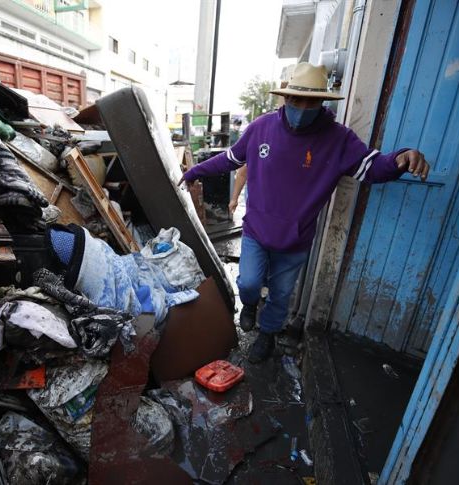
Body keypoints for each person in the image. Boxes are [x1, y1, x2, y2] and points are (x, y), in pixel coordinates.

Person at [177, 62, 429, 363]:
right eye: (296, 99)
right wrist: (196, 172)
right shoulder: (261, 128)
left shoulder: (339, 140)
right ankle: (250, 306)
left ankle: (267, 336)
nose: (302, 107)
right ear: (286, 98)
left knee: (282, 296)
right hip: (257, 230)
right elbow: (230, 159)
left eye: (311, 101)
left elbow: (373, 168)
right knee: (248, 283)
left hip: (296, 240)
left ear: (322, 102)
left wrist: (402, 156)